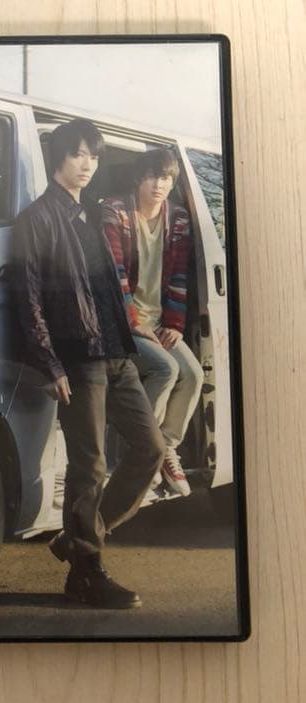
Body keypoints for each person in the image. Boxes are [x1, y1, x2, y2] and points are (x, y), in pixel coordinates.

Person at [13, 119, 166, 609]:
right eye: (78, 154)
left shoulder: (91, 213)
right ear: (58, 156)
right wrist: (50, 362)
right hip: (78, 357)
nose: (87, 164)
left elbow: (106, 285)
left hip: (116, 350)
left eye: (94, 156)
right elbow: (28, 297)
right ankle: (84, 572)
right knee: (90, 465)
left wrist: (131, 328)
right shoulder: (37, 218)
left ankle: (81, 536)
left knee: (150, 448)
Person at [102, 148, 204, 497]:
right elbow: (114, 273)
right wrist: (132, 320)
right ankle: (143, 447)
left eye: (165, 178)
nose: (158, 184)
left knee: (193, 374)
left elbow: (178, 276)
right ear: (138, 179)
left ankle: (165, 447)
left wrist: (174, 324)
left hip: (158, 322)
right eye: (151, 177)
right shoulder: (115, 212)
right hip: (124, 323)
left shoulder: (178, 220)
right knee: (165, 368)